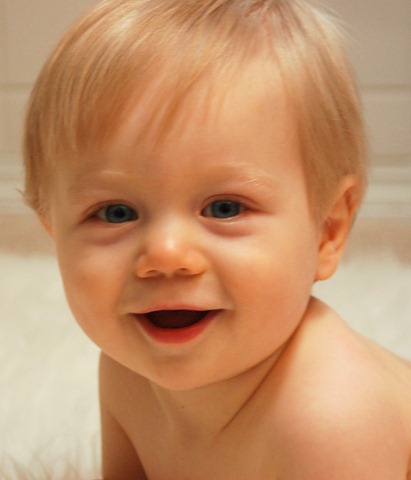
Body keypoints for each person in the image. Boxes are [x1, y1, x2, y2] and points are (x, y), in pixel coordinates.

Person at [23, 0, 411, 478]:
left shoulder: (329, 417)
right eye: (116, 213)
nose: (166, 254)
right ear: (54, 234)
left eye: (225, 208)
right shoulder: (127, 372)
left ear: (327, 231)